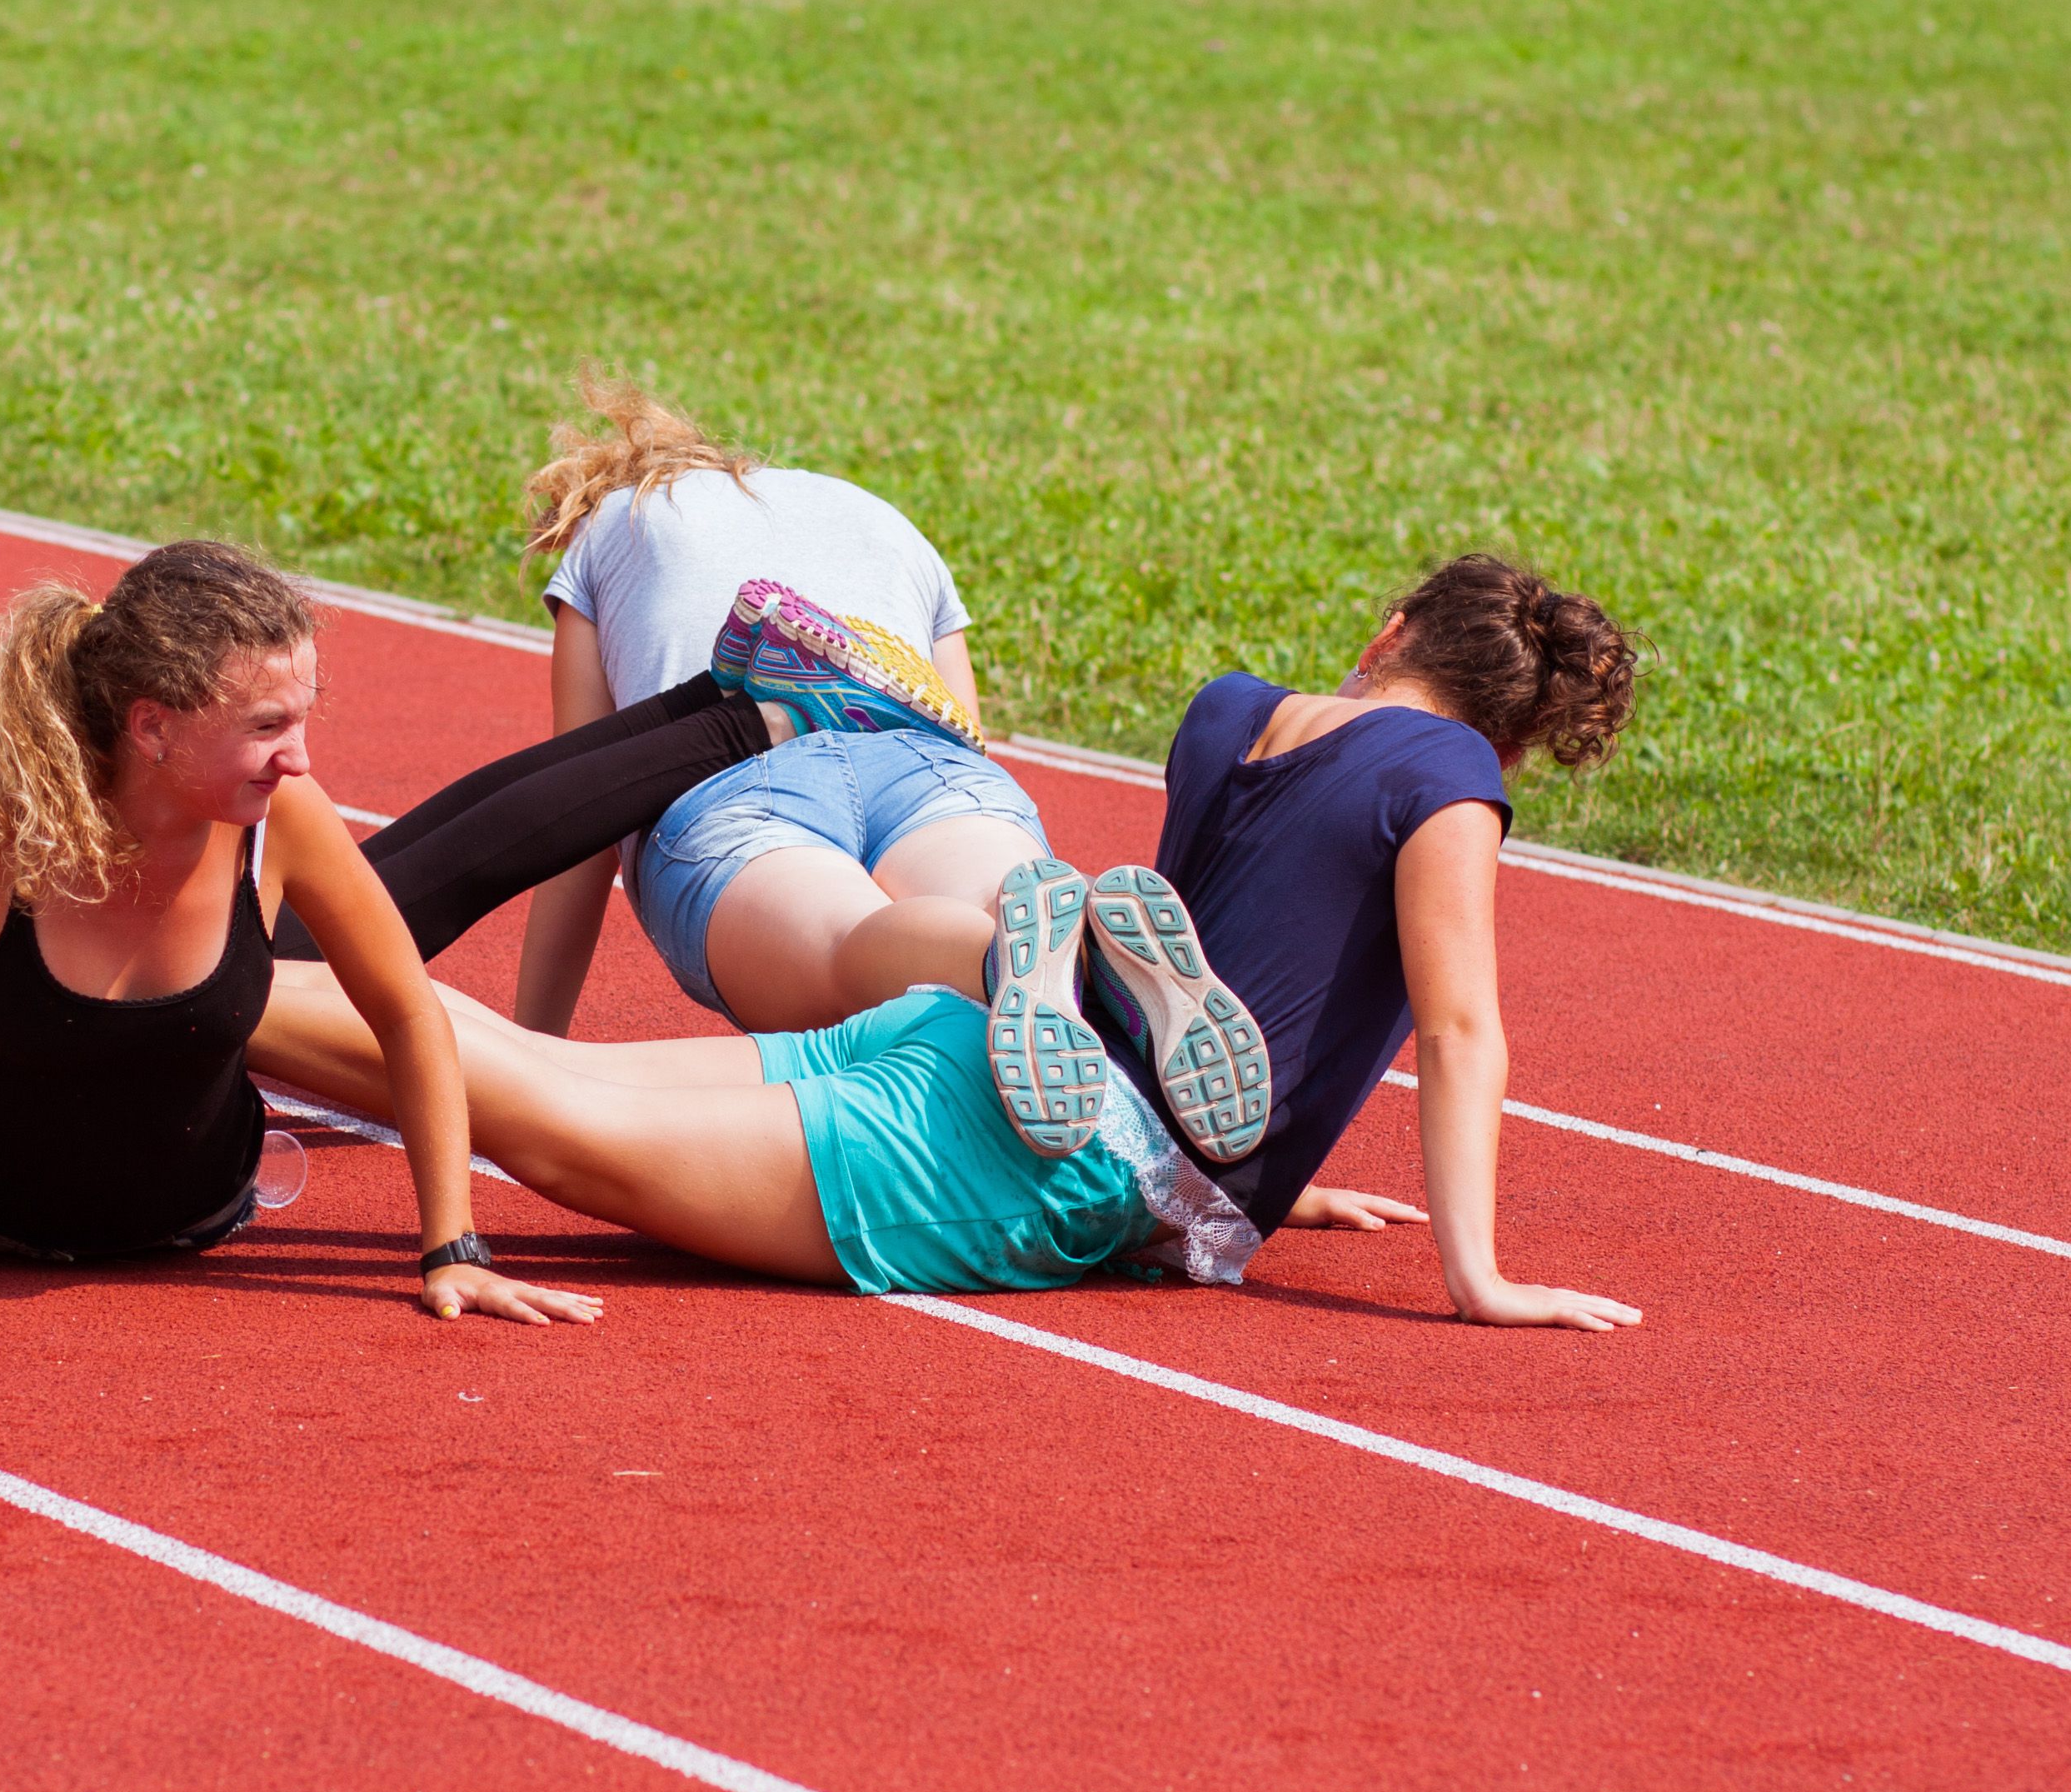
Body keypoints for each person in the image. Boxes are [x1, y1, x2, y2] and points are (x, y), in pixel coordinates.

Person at [254, 556, 1645, 1330]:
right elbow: (1458, 1028)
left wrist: (1285, 1172)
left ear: (1391, 628)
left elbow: (1223, 942)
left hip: (984, 1032)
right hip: (1071, 1151)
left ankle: (198, 983)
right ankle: (169, 995)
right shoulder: (1449, 784)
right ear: (1513, 729)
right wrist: (1476, 1273)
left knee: (544, 1069)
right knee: (550, 1119)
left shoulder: (1233, 711)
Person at [0, 542, 601, 1331]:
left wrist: (455, 1250)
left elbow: (407, 1009)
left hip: (192, 1217)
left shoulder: (284, 817)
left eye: (305, 719)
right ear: (152, 727)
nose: (302, 756)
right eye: (268, 725)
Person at [513, 375, 1051, 1037]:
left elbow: (583, 805)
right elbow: (957, 738)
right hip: (921, 765)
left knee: (849, 945)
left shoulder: (610, 526)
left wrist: (533, 1044)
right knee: (991, 888)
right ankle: (1053, 935)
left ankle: (980, 961)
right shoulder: (882, 516)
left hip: (735, 783)